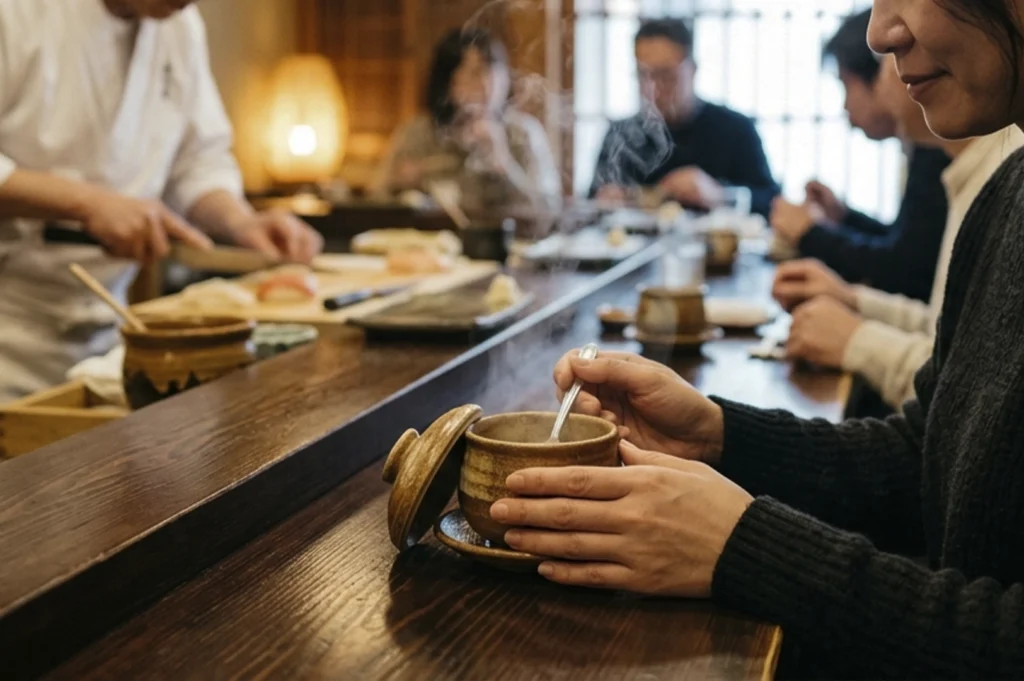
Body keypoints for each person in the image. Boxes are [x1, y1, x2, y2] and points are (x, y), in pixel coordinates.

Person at [486, 0, 1024, 675]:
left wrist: (743, 546)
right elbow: (930, 456)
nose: (880, 32)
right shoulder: (1008, 191)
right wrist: (717, 434)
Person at [0, 0, 324, 404]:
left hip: (112, 328)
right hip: (9, 330)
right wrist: (86, 203)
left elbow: (196, 160)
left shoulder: (180, 27)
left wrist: (241, 221)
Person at [776, 56, 1024, 410]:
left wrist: (856, 339)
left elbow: (971, 399)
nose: (880, 84)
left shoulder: (1001, 170)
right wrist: (854, 299)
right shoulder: (967, 166)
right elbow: (945, 331)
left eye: (880, 64)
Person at [770, 9, 950, 302]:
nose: (844, 106)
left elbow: (908, 271)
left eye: (846, 84)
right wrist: (845, 218)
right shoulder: (922, 147)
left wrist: (810, 233)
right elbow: (911, 245)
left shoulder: (939, 146)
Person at [588, 19, 780, 217]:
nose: (652, 88)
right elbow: (591, 204)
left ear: (693, 69)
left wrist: (719, 194)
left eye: (665, 75)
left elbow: (771, 202)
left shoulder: (736, 129)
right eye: (643, 75)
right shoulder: (622, 134)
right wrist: (605, 201)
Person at [374, 28, 561, 216]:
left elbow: (550, 209)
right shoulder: (418, 133)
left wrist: (504, 164)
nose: (489, 84)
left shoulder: (522, 133)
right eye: (476, 72)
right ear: (448, 82)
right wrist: (399, 185)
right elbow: (376, 199)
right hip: (432, 241)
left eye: (496, 72)